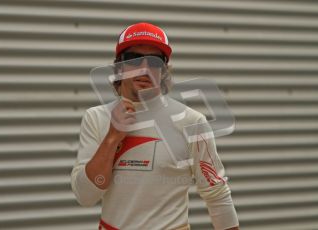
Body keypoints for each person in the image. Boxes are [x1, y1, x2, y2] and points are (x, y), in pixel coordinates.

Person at [71, 22, 239, 230]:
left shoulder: (191, 121)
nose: (144, 68)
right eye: (133, 58)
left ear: (164, 70)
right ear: (119, 66)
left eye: (155, 61)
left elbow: (217, 194)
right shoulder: (96, 117)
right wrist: (112, 138)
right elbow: (85, 196)